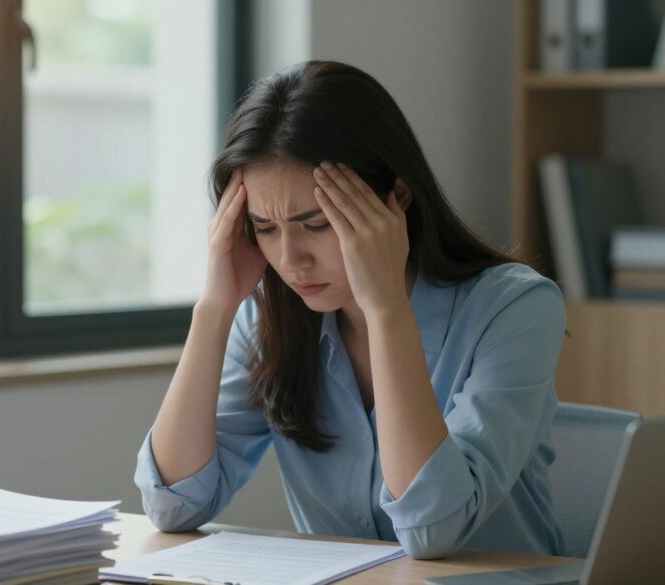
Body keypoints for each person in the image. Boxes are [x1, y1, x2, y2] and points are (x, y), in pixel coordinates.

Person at [133, 60, 566, 560]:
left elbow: (433, 529)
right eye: (265, 229)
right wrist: (213, 309)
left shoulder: (514, 308)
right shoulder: (268, 318)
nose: (290, 260)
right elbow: (172, 506)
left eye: (315, 224)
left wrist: (385, 310)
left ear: (396, 199)